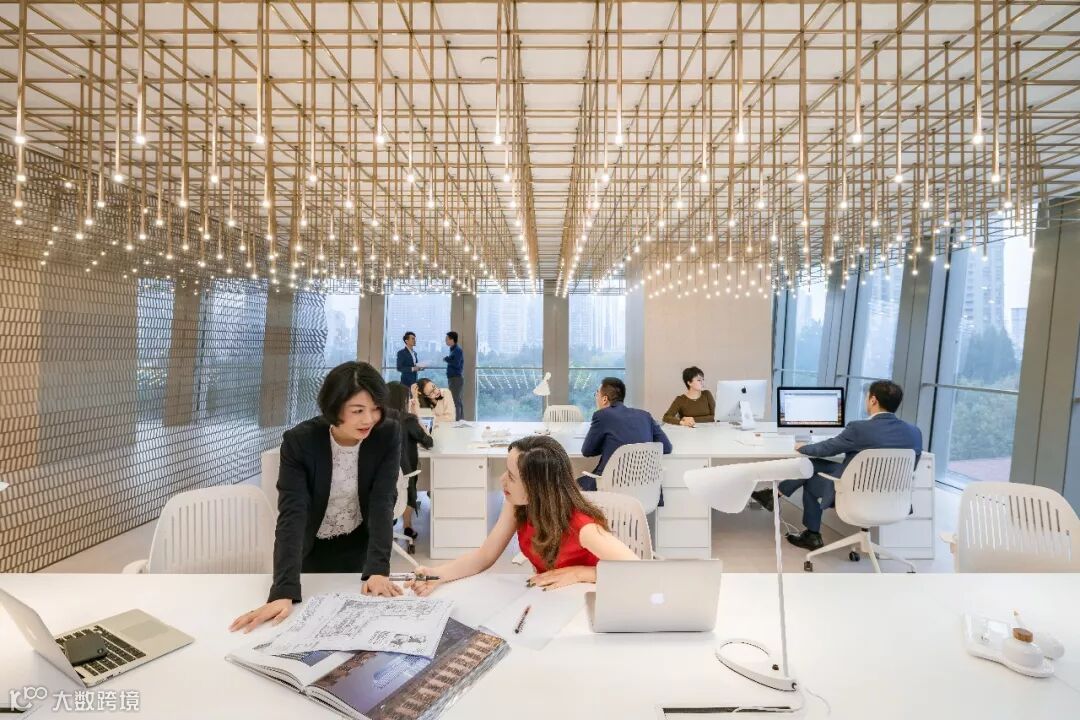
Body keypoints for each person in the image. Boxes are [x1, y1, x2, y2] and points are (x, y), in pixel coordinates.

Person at [229, 362, 402, 633]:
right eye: (358, 410)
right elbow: (293, 514)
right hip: (310, 549)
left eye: (376, 408)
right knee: (306, 624)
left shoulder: (387, 434)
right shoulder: (300, 442)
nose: (369, 419)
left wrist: (378, 569)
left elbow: (382, 500)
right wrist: (283, 591)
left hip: (359, 545)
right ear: (334, 407)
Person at [407, 435, 639, 595]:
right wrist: (436, 574)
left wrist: (580, 573)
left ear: (537, 489)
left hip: (590, 597)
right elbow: (484, 556)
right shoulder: (517, 505)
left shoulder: (583, 527)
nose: (502, 480)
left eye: (511, 476)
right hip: (550, 598)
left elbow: (637, 571)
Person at [752, 380, 923, 550]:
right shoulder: (915, 433)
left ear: (873, 400)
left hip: (856, 491)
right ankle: (774, 496)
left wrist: (803, 447)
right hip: (892, 496)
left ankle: (811, 533)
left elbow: (827, 449)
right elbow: (911, 467)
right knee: (811, 464)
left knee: (809, 474)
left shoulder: (859, 428)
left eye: (867, 397)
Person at [579, 377, 672, 491]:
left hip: (610, 487)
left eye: (596, 394)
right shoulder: (645, 415)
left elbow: (587, 451)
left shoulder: (602, 415)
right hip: (645, 489)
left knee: (569, 488)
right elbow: (666, 447)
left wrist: (608, 445)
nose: (596, 397)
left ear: (604, 399)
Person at [387, 381, 433, 540]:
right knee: (406, 490)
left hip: (381, 474)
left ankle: (388, 524)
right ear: (404, 400)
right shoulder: (408, 420)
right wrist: (416, 415)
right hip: (405, 472)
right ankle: (407, 526)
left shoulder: (376, 419)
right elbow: (428, 442)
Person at [443, 331, 465, 421]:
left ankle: (457, 421)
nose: (445, 341)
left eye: (447, 339)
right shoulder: (453, 350)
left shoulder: (457, 350)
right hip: (453, 378)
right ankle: (460, 420)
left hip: (456, 379)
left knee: (455, 401)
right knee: (457, 400)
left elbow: (456, 363)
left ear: (452, 340)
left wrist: (447, 359)